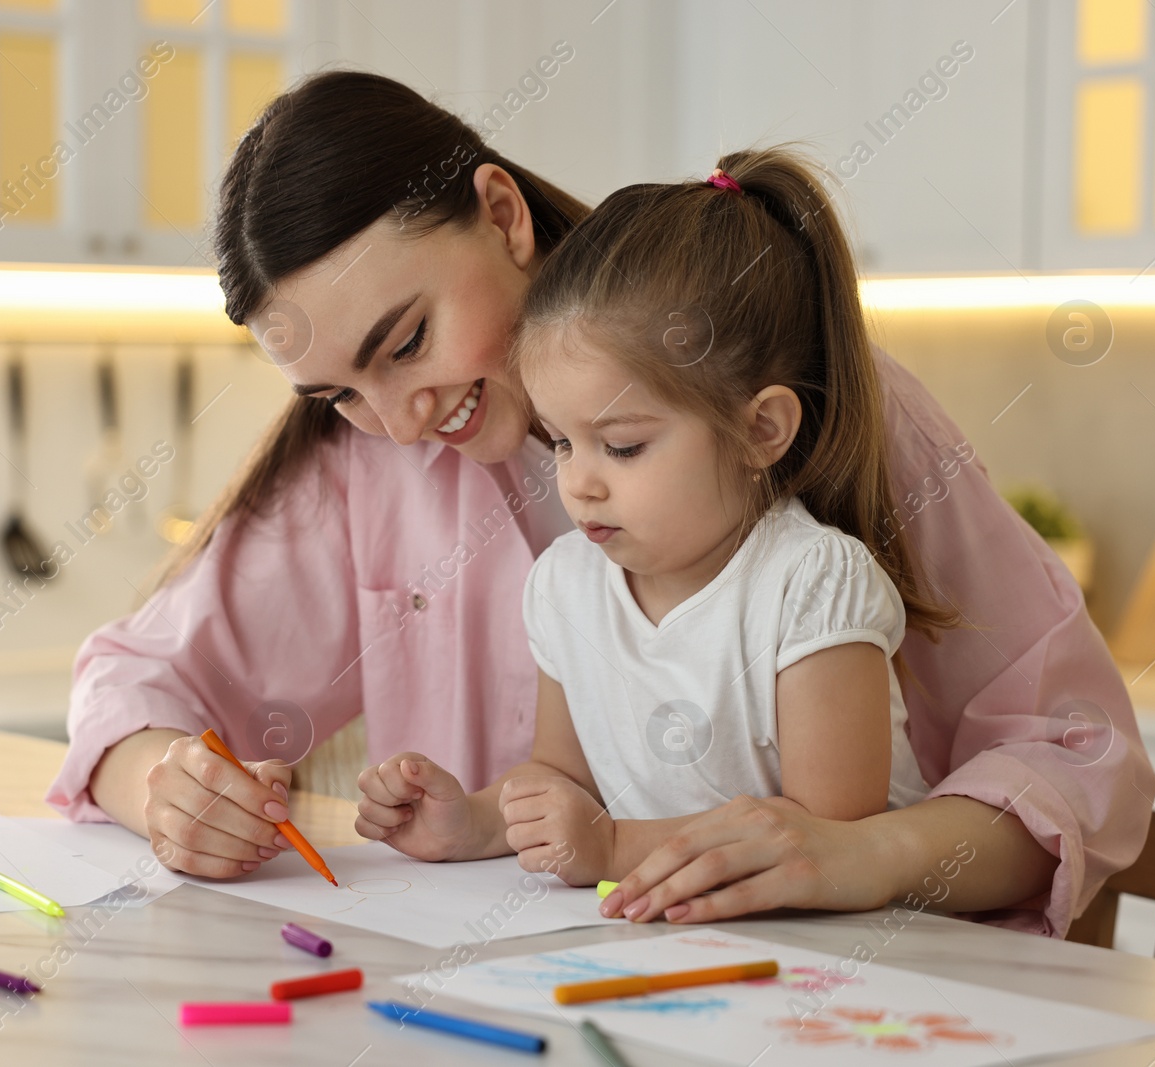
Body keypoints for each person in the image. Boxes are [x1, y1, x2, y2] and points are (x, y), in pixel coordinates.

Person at [46, 70, 1155, 937]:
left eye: (406, 342)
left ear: (501, 213)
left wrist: (860, 853)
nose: (394, 420)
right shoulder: (364, 465)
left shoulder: (823, 398)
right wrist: (160, 785)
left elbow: (1079, 755)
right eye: (339, 392)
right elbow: (135, 678)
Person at [359, 152, 942, 895]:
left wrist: (610, 848)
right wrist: (474, 822)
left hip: (854, 965)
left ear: (762, 428)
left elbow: (818, 840)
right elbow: (563, 776)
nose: (579, 482)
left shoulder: (813, 585)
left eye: (623, 445)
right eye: (562, 442)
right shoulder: (567, 586)